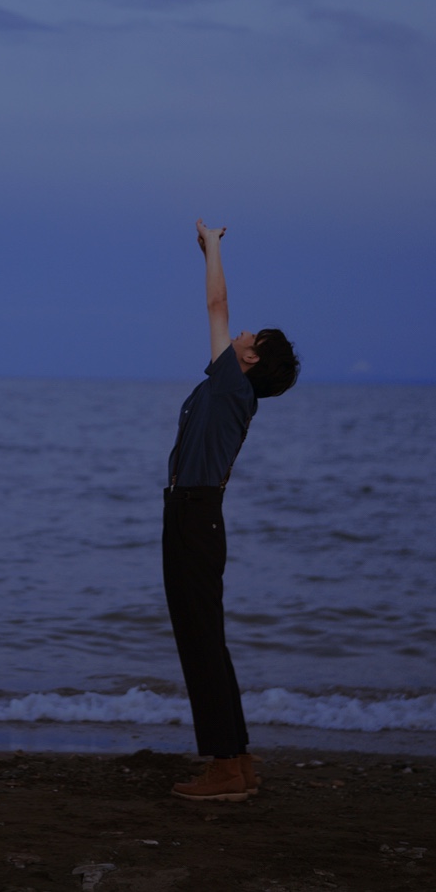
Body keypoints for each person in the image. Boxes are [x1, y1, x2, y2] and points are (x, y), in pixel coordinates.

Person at [164, 220, 299, 801]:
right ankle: (237, 759)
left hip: (193, 517)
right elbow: (221, 311)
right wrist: (208, 254)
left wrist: (213, 246)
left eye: (250, 335)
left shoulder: (230, 386)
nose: (240, 330)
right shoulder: (232, 389)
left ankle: (223, 769)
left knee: (200, 640)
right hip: (199, 515)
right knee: (208, 638)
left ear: (248, 356)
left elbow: (216, 305)